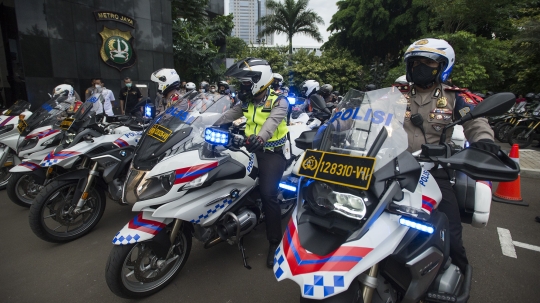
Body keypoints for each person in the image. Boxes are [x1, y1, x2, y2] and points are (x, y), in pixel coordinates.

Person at [403, 38, 498, 274]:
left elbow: (475, 121)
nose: (420, 68)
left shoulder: (454, 96)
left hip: (434, 171)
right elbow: (366, 114)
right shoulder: (397, 94)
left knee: (451, 232)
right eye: (415, 63)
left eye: (428, 63)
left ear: (444, 67)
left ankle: (459, 273)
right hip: (395, 168)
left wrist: (484, 141)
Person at [213, 58, 289, 268]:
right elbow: (227, 115)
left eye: (246, 83)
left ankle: (275, 242)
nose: (242, 87)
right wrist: (202, 124)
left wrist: (261, 138)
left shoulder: (279, 101)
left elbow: (272, 123)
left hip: (271, 152)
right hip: (248, 148)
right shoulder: (247, 101)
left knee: (268, 195)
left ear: (259, 80)